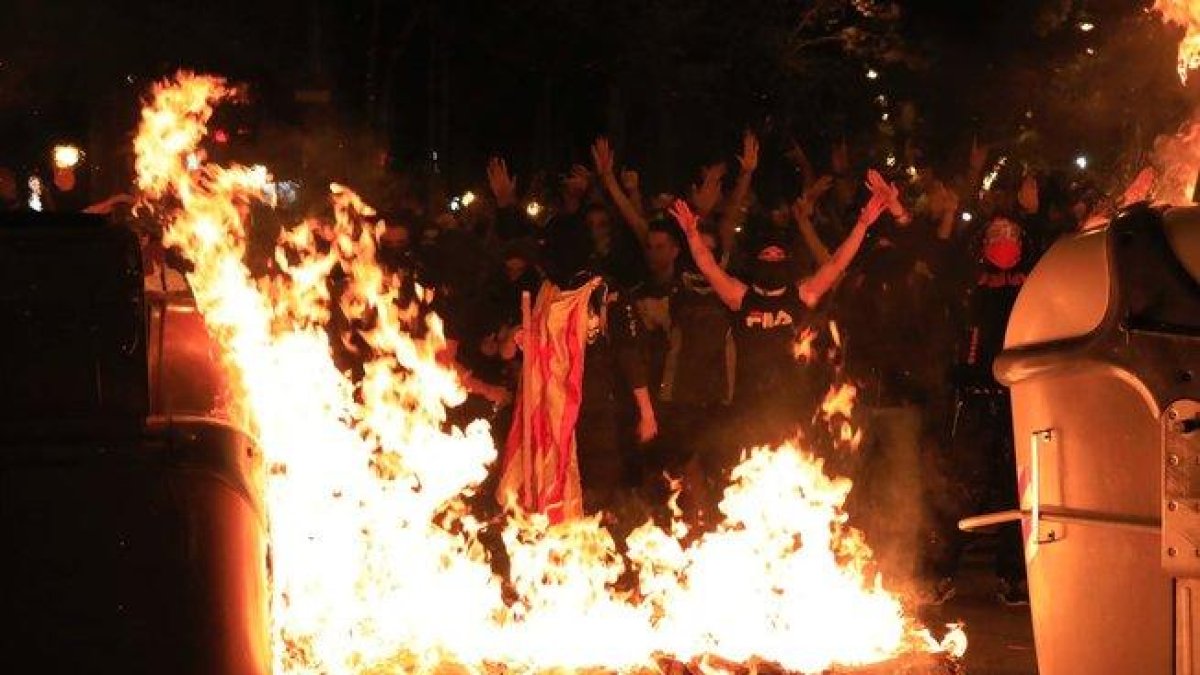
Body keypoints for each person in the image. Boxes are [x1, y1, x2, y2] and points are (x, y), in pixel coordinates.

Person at [668, 173, 889, 459]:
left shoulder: (801, 296)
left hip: (792, 407)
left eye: (777, 258)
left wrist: (862, 225)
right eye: (766, 257)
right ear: (757, 262)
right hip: (747, 407)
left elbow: (835, 264)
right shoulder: (740, 296)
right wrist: (691, 234)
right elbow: (708, 267)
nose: (772, 261)